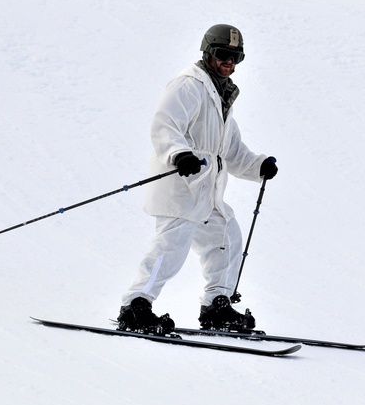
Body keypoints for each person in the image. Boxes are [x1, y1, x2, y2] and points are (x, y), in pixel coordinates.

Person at [117, 24, 278, 336]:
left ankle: (216, 305)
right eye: (223, 55)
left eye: (236, 57)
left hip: (206, 194)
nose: (229, 63)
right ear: (208, 53)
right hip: (180, 187)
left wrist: (258, 166)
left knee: (227, 239)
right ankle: (135, 305)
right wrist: (179, 154)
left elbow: (230, 150)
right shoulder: (188, 86)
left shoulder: (222, 97)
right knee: (169, 251)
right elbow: (165, 124)